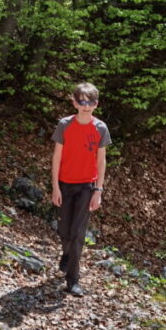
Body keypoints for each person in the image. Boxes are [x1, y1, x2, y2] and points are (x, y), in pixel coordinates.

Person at [51, 82, 111, 296]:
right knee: (64, 231)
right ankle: (66, 254)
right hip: (65, 184)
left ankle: (73, 279)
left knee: (77, 234)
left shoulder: (100, 128)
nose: (87, 106)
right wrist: (55, 187)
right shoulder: (65, 125)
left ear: (96, 104)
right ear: (74, 102)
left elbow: (101, 160)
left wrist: (99, 190)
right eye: (82, 101)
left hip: (87, 186)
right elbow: (56, 157)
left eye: (91, 102)